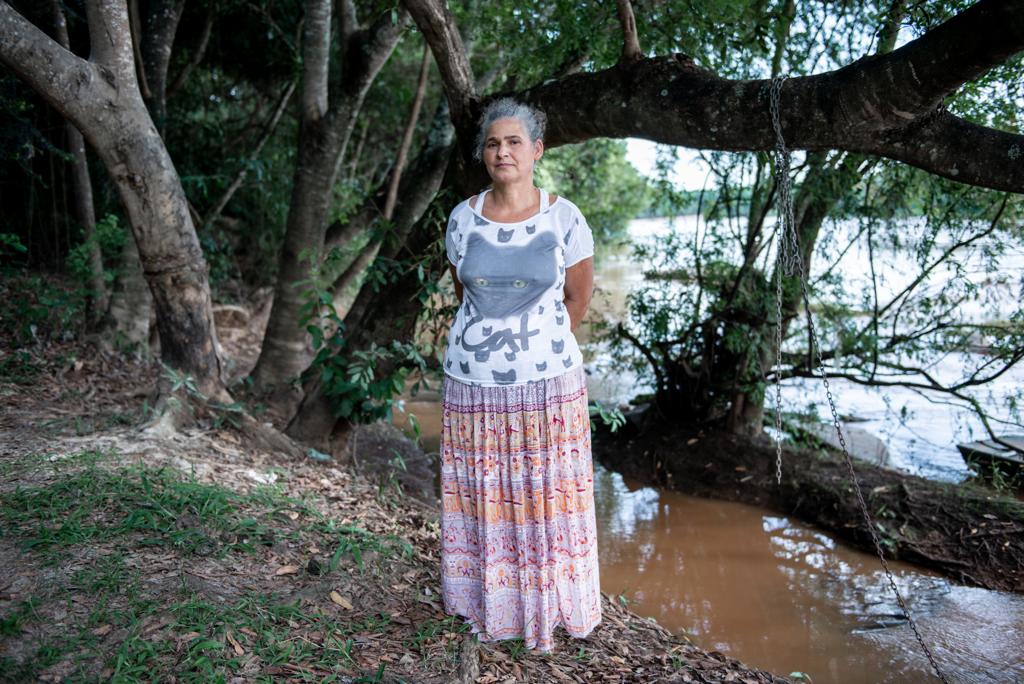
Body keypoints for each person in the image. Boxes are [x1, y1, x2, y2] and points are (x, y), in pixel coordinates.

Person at [439, 97, 601, 654]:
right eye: (492, 143)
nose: (501, 152)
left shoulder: (565, 218)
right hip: (472, 387)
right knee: (483, 497)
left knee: (544, 498)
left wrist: (541, 350)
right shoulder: (462, 217)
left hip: (548, 390)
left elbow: (578, 298)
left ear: (536, 150)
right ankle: (486, 605)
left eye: (513, 142)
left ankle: (547, 609)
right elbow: (465, 296)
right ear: (483, 154)